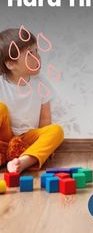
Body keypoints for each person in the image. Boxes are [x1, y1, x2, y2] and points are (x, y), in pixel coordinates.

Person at [0, 28, 64, 173]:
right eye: (30, 53)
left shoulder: (41, 83)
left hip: (26, 140)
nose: (37, 57)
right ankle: (5, 154)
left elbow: (45, 119)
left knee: (56, 130)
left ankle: (24, 161)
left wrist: (45, 144)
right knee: (1, 108)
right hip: (2, 139)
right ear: (10, 64)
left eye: (36, 51)